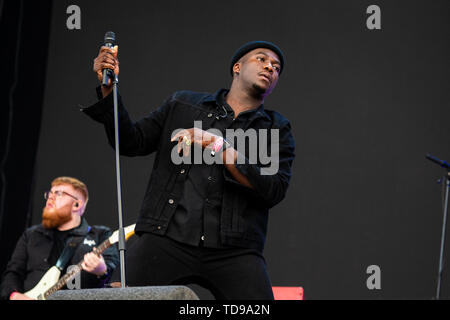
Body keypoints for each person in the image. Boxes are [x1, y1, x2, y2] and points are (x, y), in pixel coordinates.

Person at [82, 40, 295, 299]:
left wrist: (219, 146)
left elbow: (273, 189)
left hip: (236, 249)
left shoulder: (275, 128)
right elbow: (131, 141)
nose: (270, 67)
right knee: (119, 296)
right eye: (261, 59)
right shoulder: (183, 105)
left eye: (276, 67)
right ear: (237, 67)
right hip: (167, 236)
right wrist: (108, 89)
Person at [0, 177, 119, 300]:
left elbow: (115, 274)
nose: (50, 197)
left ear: (76, 204)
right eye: (50, 193)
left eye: (59, 193)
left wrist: (102, 271)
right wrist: (14, 295)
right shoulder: (31, 235)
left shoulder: (100, 234)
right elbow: (13, 273)